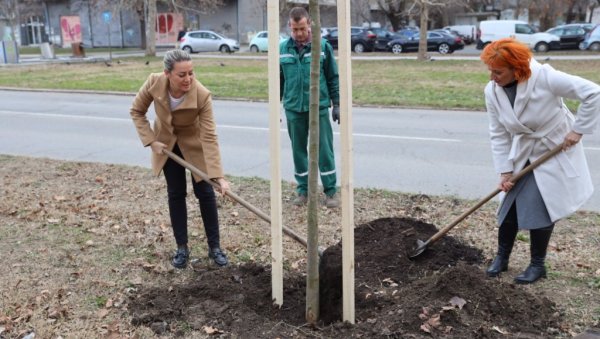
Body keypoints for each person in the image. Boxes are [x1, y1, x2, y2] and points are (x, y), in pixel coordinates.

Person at [480, 38, 600, 284]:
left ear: (517, 69)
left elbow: (593, 93)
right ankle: (501, 258)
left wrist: (578, 130)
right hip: (523, 150)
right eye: (490, 70)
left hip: (553, 147)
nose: (493, 76)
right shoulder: (492, 91)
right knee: (508, 207)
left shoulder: (545, 77)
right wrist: (504, 171)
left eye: (498, 71)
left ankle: (537, 265)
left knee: (540, 206)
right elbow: (499, 132)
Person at [130, 49, 230, 268]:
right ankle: (182, 249)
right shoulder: (154, 83)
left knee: (205, 193)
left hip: (194, 145)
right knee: (175, 194)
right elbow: (137, 111)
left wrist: (218, 176)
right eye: (182, 74)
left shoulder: (201, 94)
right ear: (168, 74)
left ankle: (215, 248)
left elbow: (210, 135)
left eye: (191, 73)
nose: (188, 79)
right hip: (167, 145)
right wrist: (151, 140)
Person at [280, 6, 340, 208]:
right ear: (290, 26)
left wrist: (337, 104)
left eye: (302, 29)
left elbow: (333, 77)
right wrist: (276, 109)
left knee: (325, 150)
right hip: (293, 109)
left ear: (310, 24)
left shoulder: (322, 47)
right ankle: (303, 191)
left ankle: (330, 191)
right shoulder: (282, 49)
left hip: (319, 107)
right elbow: (279, 80)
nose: (299, 34)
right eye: (295, 29)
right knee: (298, 151)